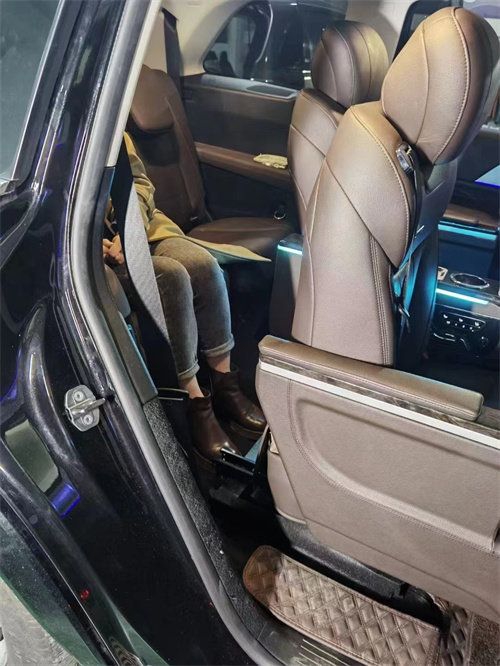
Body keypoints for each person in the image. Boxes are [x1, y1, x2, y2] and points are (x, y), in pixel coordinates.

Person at [103, 133, 266, 460]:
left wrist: (131, 228)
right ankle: (194, 401)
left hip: (142, 230)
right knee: (171, 276)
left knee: (203, 266)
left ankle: (225, 385)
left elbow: (140, 183)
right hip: (94, 252)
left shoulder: (108, 126)